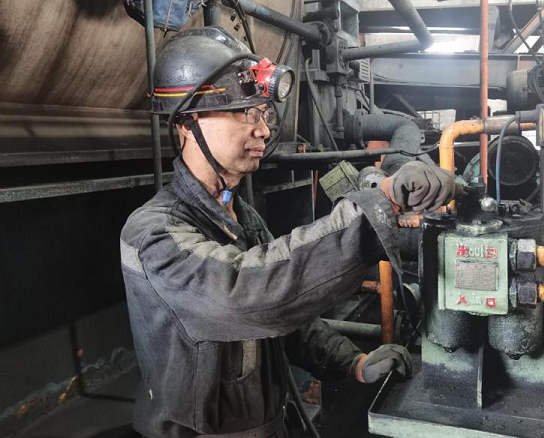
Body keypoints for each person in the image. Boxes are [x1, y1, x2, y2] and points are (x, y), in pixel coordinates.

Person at [120, 26, 455, 438]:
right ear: (188, 123)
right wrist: (377, 205)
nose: (262, 130)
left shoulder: (239, 216)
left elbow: (289, 320)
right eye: (244, 113)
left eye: (263, 113)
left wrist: (352, 362)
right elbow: (251, 296)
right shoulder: (154, 234)